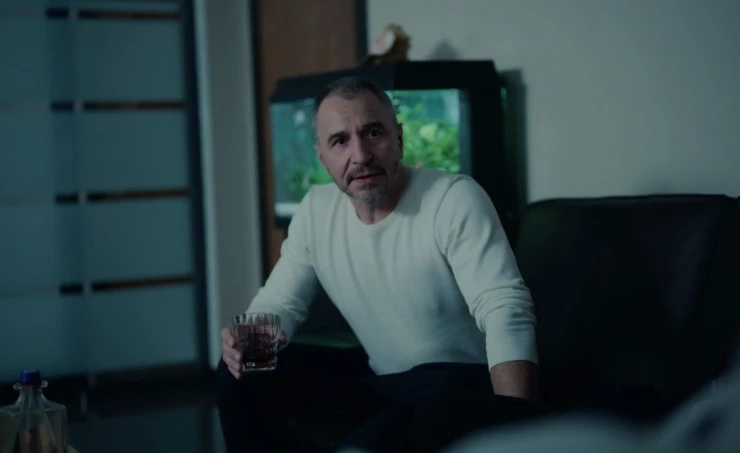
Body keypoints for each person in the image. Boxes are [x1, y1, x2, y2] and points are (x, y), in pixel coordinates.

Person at [216, 76, 541, 452]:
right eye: (340, 141)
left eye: (373, 133)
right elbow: (280, 304)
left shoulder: (452, 198)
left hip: (457, 384)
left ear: (398, 138)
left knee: (387, 431)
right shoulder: (316, 210)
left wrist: (518, 431)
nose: (360, 155)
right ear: (322, 157)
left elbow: (505, 310)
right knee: (240, 370)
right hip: (383, 379)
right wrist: (245, 342)